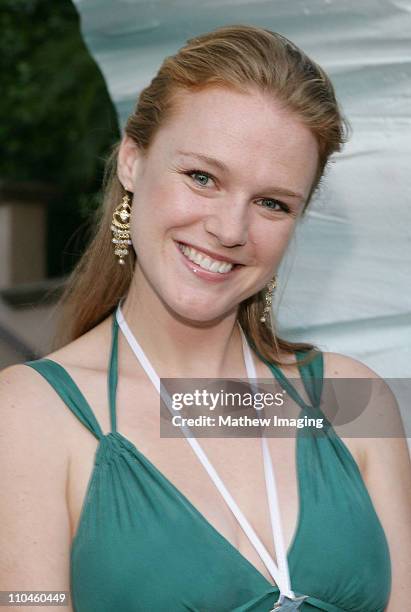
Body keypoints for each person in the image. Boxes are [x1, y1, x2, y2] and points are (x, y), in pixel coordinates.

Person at [1, 24, 410, 612]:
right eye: (202, 177)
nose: (229, 229)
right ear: (133, 162)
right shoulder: (28, 414)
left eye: (272, 203)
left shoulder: (353, 399)